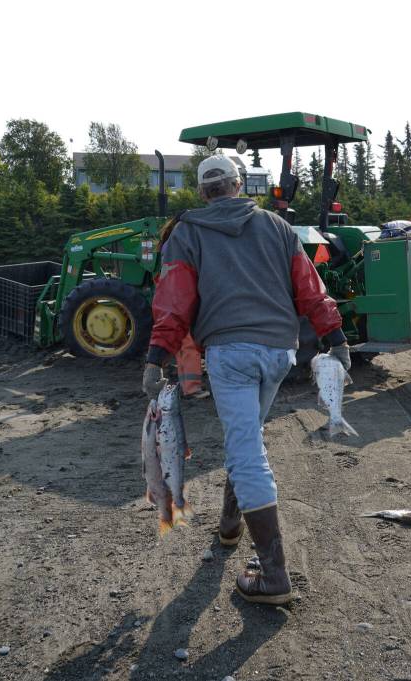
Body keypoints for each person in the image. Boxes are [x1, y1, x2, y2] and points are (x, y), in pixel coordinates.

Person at [141, 155, 349, 605]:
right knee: (247, 437)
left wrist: (156, 358)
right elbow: (309, 286)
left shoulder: (186, 232)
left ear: (202, 192)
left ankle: (274, 574)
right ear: (240, 185)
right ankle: (231, 525)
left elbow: (174, 302)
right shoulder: (276, 226)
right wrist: (335, 336)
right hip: (279, 351)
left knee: (246, 452)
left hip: (231, 353)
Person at [156, 212, 208, 399]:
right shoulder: (180, 243)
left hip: (174, 299)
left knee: (184, 345)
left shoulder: (169, 243)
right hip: (179, 300)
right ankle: (191, 388)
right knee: (188, 346)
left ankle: (187, 385)